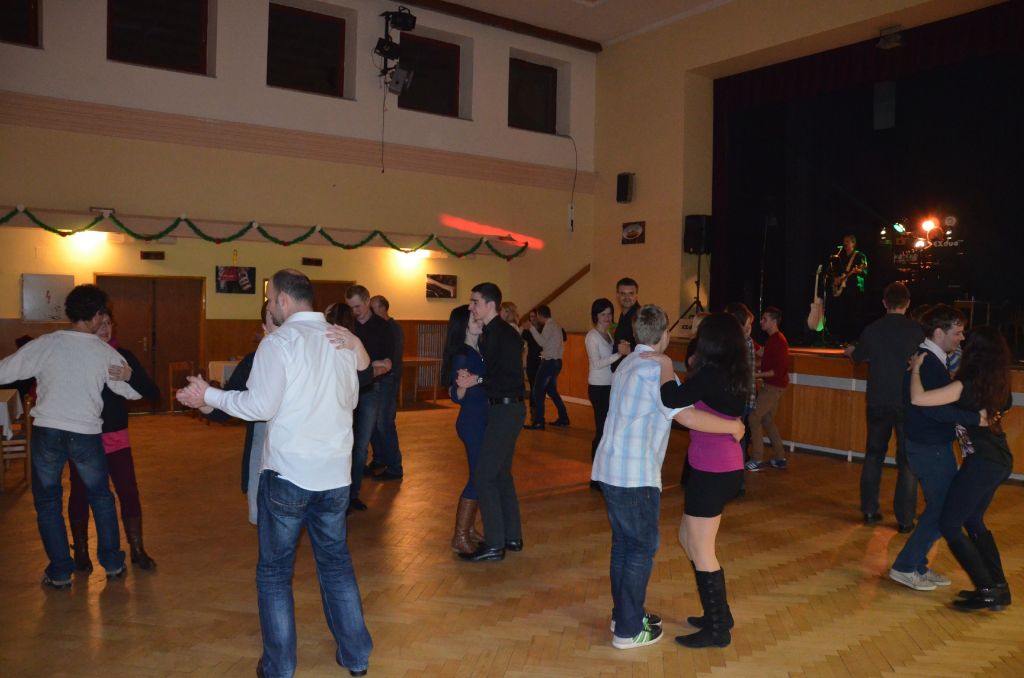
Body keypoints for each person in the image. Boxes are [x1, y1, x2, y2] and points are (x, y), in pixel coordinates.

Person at [176, 269, 373, 678]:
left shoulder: (278, 343)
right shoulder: (340, 341)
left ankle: (280, 667)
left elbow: (260, 407)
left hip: (289, 477)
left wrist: (207, 395)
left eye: (270, 301)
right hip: (336, 478)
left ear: (282, 299)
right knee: (336, 565)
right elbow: (352, 400)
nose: (269, 308)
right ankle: (356, 656)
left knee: (274, 574)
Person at [592, 305, 744, 650]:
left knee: (624, 547)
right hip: (635, 474)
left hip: (611, 468)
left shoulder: (628, 362)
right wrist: (734, 427)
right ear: (665, 335)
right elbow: (686, 416)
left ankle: (625, 615)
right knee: (639, 550)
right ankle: (628, 629)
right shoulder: (655, 370)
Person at [0, 284, 139, 589]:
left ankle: (61, 572)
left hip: (47, 431)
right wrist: (130, 376)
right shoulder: (103, 351)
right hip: (85, 434)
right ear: (96, 315)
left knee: (48, 502)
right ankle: (113, 564)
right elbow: (131, 391)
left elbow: (4, 371)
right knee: (101, 497)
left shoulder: (46, 343)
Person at [647, 313, 751, 648]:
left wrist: (665, 364)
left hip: (713, 469)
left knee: (701, 548)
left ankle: (718, 629)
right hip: (716, 466)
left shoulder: (710, 374)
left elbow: (671, 398)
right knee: (687, 538)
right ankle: (719, 614)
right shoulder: (729, 373)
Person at [909, 326, 1013, 611]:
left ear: (974, 353)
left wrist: (916, 370)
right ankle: (999, 588)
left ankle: (987, 589)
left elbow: (918, 399)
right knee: (974, 520)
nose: (962, 341)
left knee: (950, 525)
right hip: (999, 460)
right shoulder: (999, 384)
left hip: (983, 463)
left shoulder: (966, 386)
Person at [889, 304, 982, 592]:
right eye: (958, 332)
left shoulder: (928, 359)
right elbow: (934, 410)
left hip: (931, 446)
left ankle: (916, 565)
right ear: (939, 332)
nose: (962, 338)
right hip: (930, 448)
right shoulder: (928, 362)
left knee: (942, 508)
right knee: (943, 509)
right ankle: (906, 566)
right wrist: (974, 418)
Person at [67, 310, 160, 572]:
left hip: (116, 437)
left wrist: (130, 376)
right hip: (83, 437)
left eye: (109, 323)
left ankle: (137, 549)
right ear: (88, 326)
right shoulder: (77, 356)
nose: (105, 329)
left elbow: (153, 392)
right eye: (100, 324)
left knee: (128, 491)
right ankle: (81, 551)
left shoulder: (123, 356)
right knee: (79, 492)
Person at [454, 282, 526, 562]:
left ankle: (495, 544)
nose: (471, 307)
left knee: (484, 475)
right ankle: (512, 536)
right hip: (504, 410)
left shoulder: (502, 335)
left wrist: (478, 379)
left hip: (507, 410)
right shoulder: (494, 334)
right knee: (501, 474)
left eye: (475, 302)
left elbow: (509, 377)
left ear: (490, 304)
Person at [844, 282, 922, 530]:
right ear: (908, 303)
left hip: (877, 400)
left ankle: (869, 510)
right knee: (907, 460)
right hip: (907, 402)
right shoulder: (917, 332)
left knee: (874, 455)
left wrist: (851, 350)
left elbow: (858, 357)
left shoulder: (872, 329)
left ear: (884, 303)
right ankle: (905, 519)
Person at [201, 300, 279, 525]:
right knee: (266, 520)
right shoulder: (253, 361)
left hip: (302, 463)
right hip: (264, 455)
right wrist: (203, 401)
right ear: (264, 328)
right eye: (274, 323)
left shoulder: (309, 357)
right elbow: (226, 407)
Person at [440, 305, 488, 554]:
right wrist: (461, 387)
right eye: (473, 318)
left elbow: (484, 380)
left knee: (479, 475)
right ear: (463, 326)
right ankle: (459, 536)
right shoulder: (462, 354)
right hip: (472, 421)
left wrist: (477, 381)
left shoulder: (478, 350)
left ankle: (468, 530)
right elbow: (456, 396)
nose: (479, 320)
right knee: (477, 477)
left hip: (481, 419)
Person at [345, 284, 395, 512]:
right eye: (351, 307)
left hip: (369, 390)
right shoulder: (348, 325)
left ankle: (353, 494)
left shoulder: (383, 327)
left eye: (357, 306)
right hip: (346, 390)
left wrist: (378, 365)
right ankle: (342, 494)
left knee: (361, 445)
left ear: (367, 301)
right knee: (345, 443)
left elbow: (388, 361)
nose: (354, 311)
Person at [746, 307, 789, 470]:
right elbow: (762, 354)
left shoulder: (779, 341)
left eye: (765, 319)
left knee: (754, 417)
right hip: (772, 386)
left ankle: (757, 458)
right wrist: (748, 338)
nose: (761, 322)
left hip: (773, 387)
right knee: (767, 420)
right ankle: (780, 457)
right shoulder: (773, 340)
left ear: (773, 321)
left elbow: (776, 372)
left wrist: (755, 375)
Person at [367, 295, 404, 482]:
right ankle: (379, 459)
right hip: (376, 379)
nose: (370, 311)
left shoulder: (393, 328)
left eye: (373, 307)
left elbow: (393, 358)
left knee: (385, 423)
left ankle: (395, 467)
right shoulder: (377, 326)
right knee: (373, 423)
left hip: (388, 379)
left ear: (383, 308)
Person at [585, 298, 616, 481]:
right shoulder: (592, 336)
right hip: (598, 388)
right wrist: (619, 354)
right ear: (595, 316)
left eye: (609, 313)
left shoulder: (609, 334)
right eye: (603, 314)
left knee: (607, 429)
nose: (607, 317)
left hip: (609, 386)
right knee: (602, 430)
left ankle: (604, 470)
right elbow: (596, 364)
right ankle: (596, 476)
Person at [524, 305, 569, 429]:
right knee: (552, 391)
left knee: (537, 391)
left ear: (539, 315)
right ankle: (564, 418)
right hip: (556, 362)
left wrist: (531, 328)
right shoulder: (556, 325)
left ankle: (539, 421)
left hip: (549, 362)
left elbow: (541, 342)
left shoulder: (549, 326)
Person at [829, 234, 868, 343]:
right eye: (844, 241)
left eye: (847, 241)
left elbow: (864, 271)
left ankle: (855, 340)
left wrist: (859, 271)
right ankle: (843, 340)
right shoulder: (840, 256)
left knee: (854, 315)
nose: (844, 244)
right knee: (843, 315)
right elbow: (836, 272)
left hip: (854, 290)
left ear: (853, 243)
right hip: (843, 290)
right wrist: (836, 279)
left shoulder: (859, 256)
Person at [611, 277, 639, 371]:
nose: (627, 298)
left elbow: (649, 346)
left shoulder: (640, 316)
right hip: (622, 371)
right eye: (623, 293)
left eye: (631, 293)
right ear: (617, 295)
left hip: (632, 371)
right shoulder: (623, 315)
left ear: (636, 295)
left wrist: (630, 349)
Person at [520, 310, 542, 423]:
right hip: (532, 361)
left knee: (540, 388)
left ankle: (538, 414)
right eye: (531, 317)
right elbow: (520, 340)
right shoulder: (528, 331)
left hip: (541, 360)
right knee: (533, 386)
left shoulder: (543, 329)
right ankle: (534, 413)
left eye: (534, 316)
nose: (532, 319)